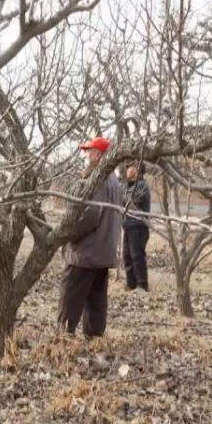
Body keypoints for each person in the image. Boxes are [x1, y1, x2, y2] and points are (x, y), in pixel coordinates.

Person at [57, 136, 121, 338]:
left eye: (88, 152)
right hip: (103, 250)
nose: (84, 155)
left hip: (85, 252)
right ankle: (94, 340)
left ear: (97, 155)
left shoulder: (97, 178)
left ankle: (63, 338)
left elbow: (91, 215)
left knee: (70, 297)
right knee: (96, 300)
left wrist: (68, 234)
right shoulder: (113, 179)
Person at [122, 160, 151, 292]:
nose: (127, 170)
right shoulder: (127, 186)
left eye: (131, 167)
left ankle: (142, 285)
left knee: (137, 256)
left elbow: (134, 200)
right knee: (127, 256)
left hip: (139, 227)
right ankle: (131, 284)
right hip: (128, 226)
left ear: (138, 170)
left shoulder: (142, 186)